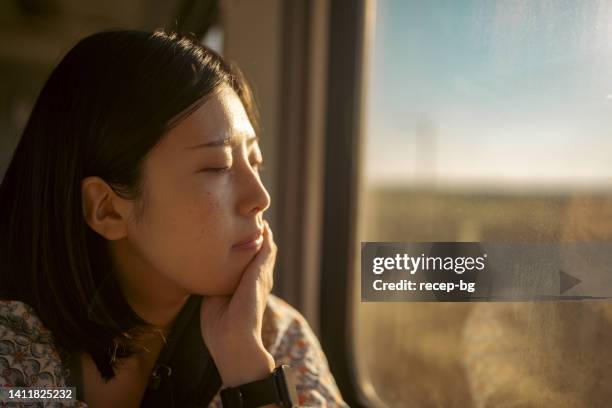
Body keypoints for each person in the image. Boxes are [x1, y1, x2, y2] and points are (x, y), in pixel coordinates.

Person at [0, 29, 348, 407]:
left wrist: (246, 365)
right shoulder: (12, 353)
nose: (260, 198)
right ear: (108, 208)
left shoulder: (276, 335)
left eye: (255, 162)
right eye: (218, 167)